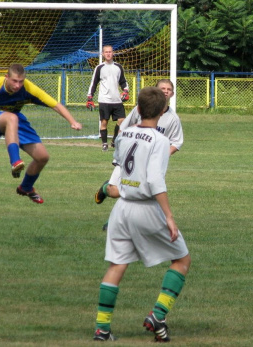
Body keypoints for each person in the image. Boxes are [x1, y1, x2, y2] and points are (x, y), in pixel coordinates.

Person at [92, 87, 191, 342]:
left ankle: (102, 329)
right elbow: (155, 180)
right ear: (161, 111)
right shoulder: (160, 140)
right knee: (181, 260)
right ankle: (158, 315)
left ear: (137, 108)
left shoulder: (124, 133)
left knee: (117, 265)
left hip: (122, 209)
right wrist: (168, 215)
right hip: (146, 208)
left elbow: (120, 165)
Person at [0, 63, 83, 204]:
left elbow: (55, 104)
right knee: (11, 118)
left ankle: (26, 187)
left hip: (15, 118)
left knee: (42, 157)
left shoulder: (29, 88)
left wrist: (72, 121)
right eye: (14, 81)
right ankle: (15, 162)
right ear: (6, 77)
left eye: (20, 81)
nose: (18, 85)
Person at [94, 79, 183, 230]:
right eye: (162, 88)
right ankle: (105, 189)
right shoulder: (140, 110)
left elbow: (176, 141)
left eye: (169, 89)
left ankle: (115, 222)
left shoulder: (173, 119)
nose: (165, 91)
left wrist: (162, 155)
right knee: (115, 191)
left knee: (137, 192)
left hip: (149, 162)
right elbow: (123, 128)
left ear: (172, 94)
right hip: (129, 160)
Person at [86, 45, 130, 151]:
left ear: (113, 53)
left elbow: (123, 81)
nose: (108, 54)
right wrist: (89, 97)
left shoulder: (118, 67)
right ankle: (104, 143)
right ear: (103, 54)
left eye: (110, 52)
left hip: (117, 100)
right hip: (104, 100)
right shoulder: (99, 68)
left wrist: (125, 90)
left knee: (122, 120)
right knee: (104, 122)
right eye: (106, 52)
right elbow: (94, 83)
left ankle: (114, 140)